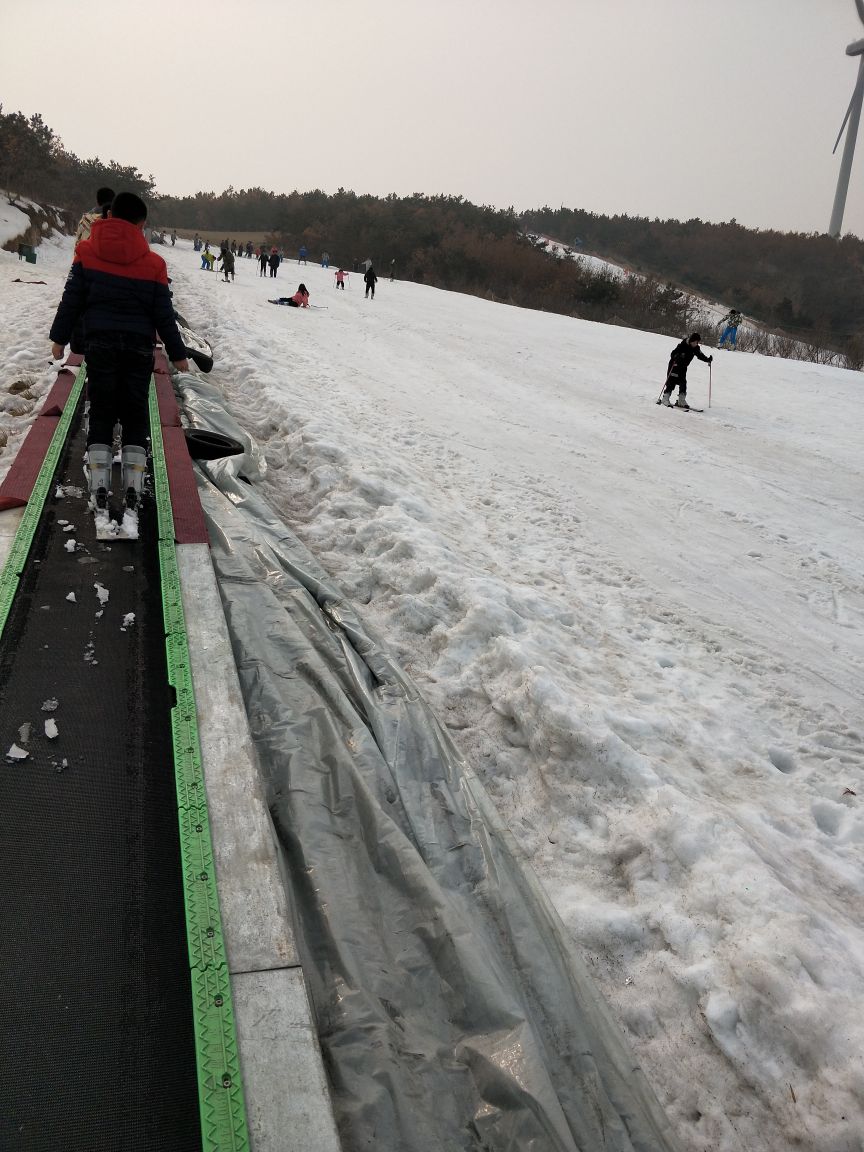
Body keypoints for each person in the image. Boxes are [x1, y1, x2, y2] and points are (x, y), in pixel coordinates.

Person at [48, 191, 189, 511]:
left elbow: (72, 301)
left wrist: (59, 339)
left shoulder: (85, 252)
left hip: (100, 345)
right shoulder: (154, 263)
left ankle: (99, 487)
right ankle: (133, 488)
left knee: (101, 410)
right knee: (135, 413)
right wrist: (178, 354)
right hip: (139, 349)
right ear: (142, 224)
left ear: (109, 216)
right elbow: (163, 316)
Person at [659, 332, 712, 408]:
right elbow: (673, 353)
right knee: (671, 381)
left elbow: (700, 355)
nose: (696, 344)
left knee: (683, 382)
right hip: (675, 365)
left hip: (683, 367)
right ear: (691, 340)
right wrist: (675, 356)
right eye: (695, 342)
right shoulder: (682, 345)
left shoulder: (696, 348)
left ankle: (681, 400)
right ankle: (665, 398)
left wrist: (707, 359)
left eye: (697, 342)